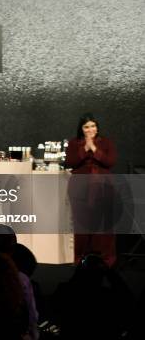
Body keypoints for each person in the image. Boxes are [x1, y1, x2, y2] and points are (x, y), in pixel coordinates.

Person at [65, 113, 117, 266]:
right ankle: (81, 257)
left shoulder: (106, 142)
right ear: (81, 129)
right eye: (86, 127)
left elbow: (110, 162)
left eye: (93, 126)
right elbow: (69, 162)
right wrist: (84, 149)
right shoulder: (74, 143)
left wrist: (94, 148)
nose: (90, 129)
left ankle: (103, 258)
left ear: (97, 127)